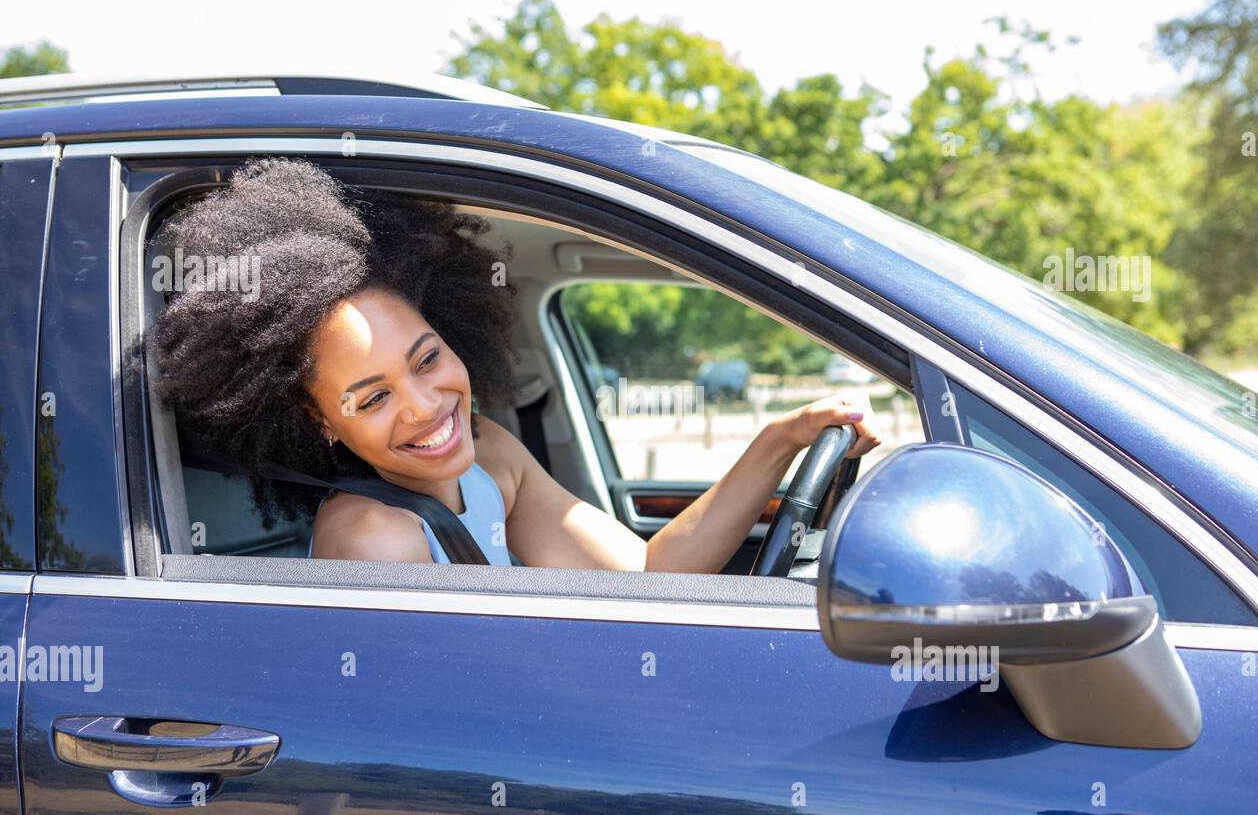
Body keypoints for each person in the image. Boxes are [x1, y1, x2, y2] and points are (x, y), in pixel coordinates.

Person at [148, 157, 879, 572]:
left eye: (427, 357)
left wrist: (778, 441)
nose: (425, 407)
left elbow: (645, 580)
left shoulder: (490, 454)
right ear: (320, 422)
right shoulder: (374, 536)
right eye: (371, 399)